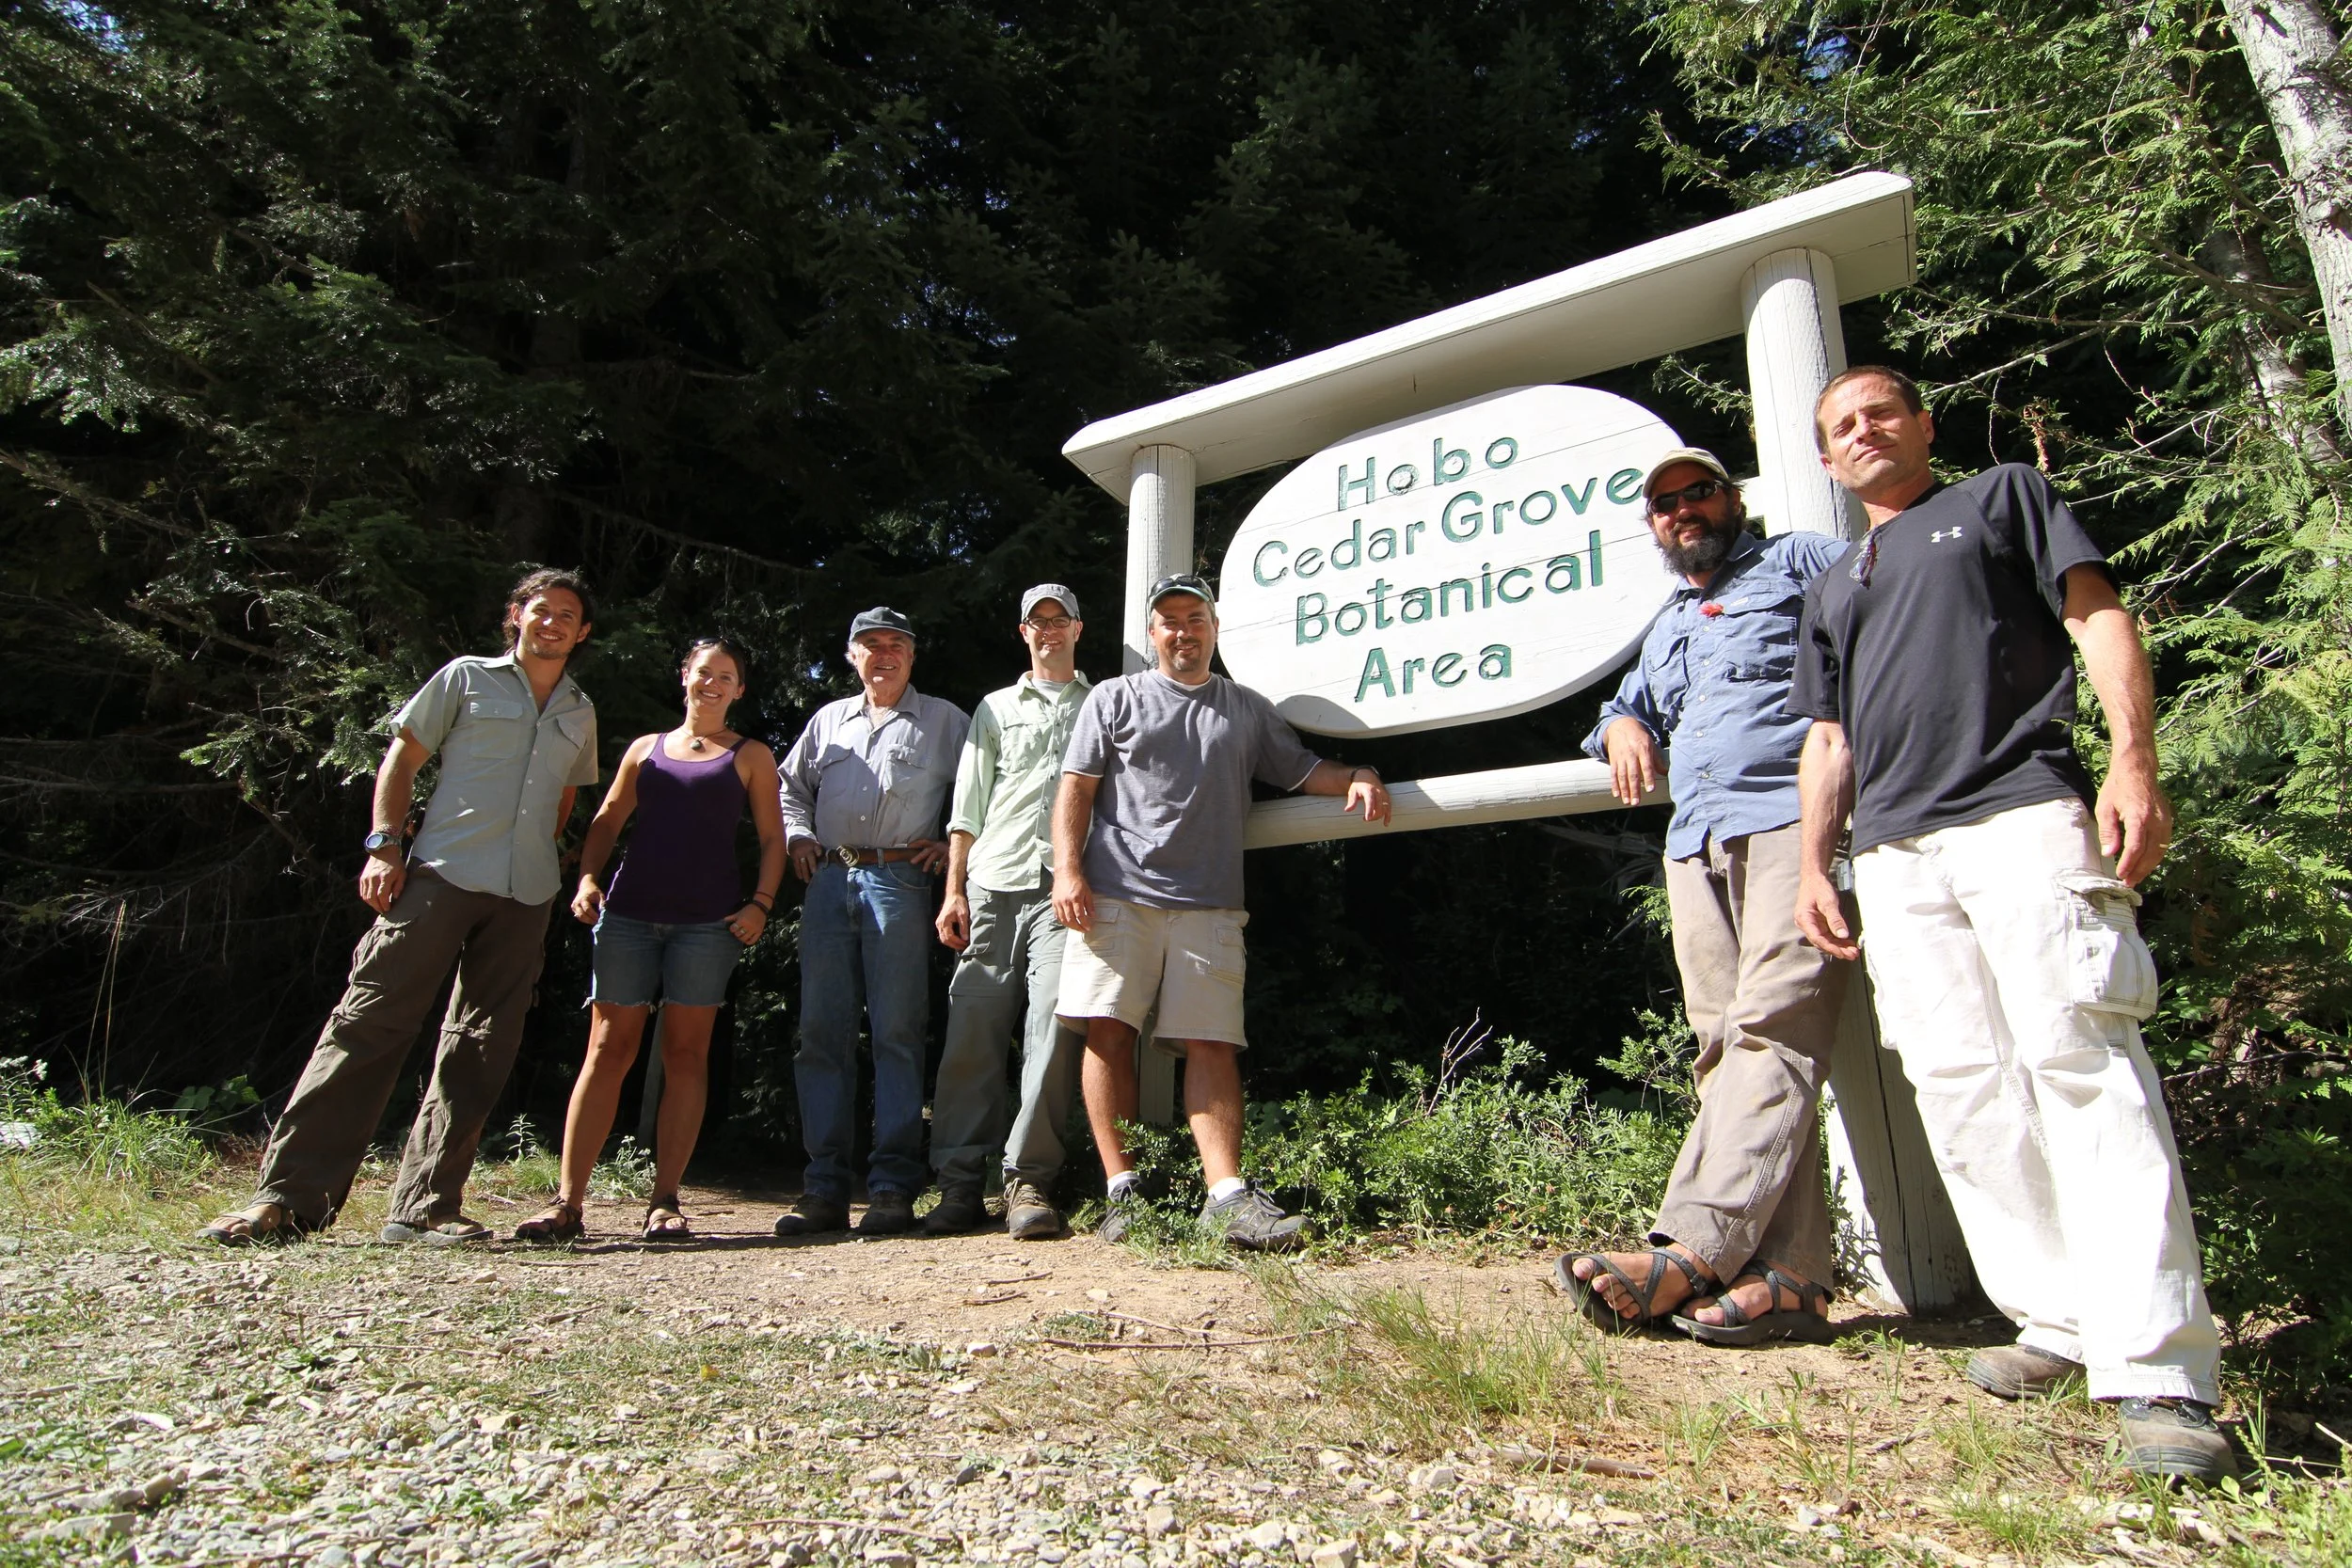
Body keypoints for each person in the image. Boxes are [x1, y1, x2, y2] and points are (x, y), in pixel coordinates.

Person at [1790, 365, 2232, 1481]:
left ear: (1921, 425)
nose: (1863, 431)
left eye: (1880, 412)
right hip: (1891, 854)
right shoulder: (1836, 579)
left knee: (2079, 1060)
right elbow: (1827, 739)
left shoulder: (2000, 499)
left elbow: (2097, 614)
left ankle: (2161, 1370)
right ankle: (2058, 1318)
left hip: (2022, 810)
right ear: (1827, 459)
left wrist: (2134, 757)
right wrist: (1813, 859)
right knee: (1959, 1084)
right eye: (1840, 426)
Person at [199, 569, 599, 1246]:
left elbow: (565, 797)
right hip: (440, 874)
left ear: (582, 631)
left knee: (480, 1048)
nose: (553, 621)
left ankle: (428, 1208)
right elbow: (402, 757)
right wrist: (384, 846)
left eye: (568, 614)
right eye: (541, 609)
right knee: (370, 1022)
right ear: (517, 616)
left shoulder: (579, 709)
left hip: (525, 893)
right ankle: (287, 1198)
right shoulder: (466, 677)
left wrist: (546, 854)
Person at [1556, 449, 1855, 1344]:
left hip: (1793, 824)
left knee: (1774, 1024)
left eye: (1700, 494)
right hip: (1694, 840)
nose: (1683, 511)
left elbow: (1876, 630)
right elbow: (1627, 704)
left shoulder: (1798, 560)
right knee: (1726, 1045)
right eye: (1665, 505)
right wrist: (1617, 725)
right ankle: (1792, 1278)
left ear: (1732, 501)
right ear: (1653, 527)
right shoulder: (1671, 618)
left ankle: (1689, 1248)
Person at [1052, 573, 1391, 1252]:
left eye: (1195, 617)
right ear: (1152, 634)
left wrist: (1358, 774)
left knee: (1212, 1044)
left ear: (1214, 627)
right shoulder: (1114, 698)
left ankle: (1227, 1199)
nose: (1183, 630)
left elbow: (1301, 769)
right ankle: (1124, 1193)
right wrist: (1068, 870)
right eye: (1169, 619)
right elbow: (1076, 789)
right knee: (1107, 1032)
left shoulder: (1243, 707)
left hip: (1210, 904)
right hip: (1116, 896)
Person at [514, 639, 786, 1243]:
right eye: (702, 673)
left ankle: (665, 1200)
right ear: (684, 678)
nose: (711, 684)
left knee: (686, 1056)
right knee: (607, 1049)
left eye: (726, 677)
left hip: (709, 926)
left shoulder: (751, 756)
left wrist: (760, 905)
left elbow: (773, 839)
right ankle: (567, 1203)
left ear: (739, 689)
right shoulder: (645, 750)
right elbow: (608, 819)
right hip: (629, 917)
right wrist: (587, 877)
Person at [772, 608, 970, 1238]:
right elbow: (788, 788)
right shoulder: (828, 720)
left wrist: (950, 846)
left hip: (901, 882)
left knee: (897, 1034)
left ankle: (891, 1186)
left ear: (912, 656)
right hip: (829, 881)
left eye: (896, 645)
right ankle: (823, 1188)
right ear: (852, 656)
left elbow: (984, 789)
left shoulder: (945, 720)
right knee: (821, 1034)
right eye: (871, 645)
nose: (883, 654)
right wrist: (799, 835)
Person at [926, 586, 1093, 1238]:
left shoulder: (1103, 702)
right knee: (970, 1036)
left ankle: (1029, 1181)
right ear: (1022, 632)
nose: (1048, 630)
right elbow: (967, 806)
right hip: (993, 886)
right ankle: (960, 1184)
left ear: (1078, 627)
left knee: (1053, 1029)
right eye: (1037, 621)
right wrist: (954, 890)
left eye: (1059, 619)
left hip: (1065, 893)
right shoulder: (994, 707)